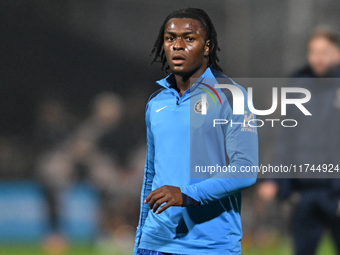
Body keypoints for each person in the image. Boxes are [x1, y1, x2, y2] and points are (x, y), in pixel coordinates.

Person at [134, 8, 258, 255]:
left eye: (189, 38)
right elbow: (151, 175)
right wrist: (141, 239)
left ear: (207, 46)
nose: (177, 45)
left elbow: (246, 169)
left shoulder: (231, 96)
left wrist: (187, 195)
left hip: (208, 246)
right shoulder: (157, 103)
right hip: (155, 243)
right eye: (170, 38)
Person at [257, 27, 340, 255]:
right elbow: (286, 139)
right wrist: (273, 178)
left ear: (337, 53)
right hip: (303, 191)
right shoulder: (298, 85)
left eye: (324, 51)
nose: (318, 58)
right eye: (313, 51)